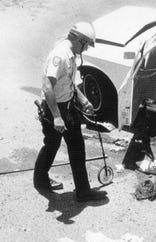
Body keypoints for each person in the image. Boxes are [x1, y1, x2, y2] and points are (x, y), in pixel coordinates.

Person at [33, 22, 108, 202]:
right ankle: (40, 180)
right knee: (51, 145)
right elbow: (47, 86)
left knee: (76, 147)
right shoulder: (60, 55)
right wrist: (57, 117)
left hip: (69, 107)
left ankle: (83, 191)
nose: (87, 49)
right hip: (55, 110)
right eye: (86, 44)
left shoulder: (71, 53)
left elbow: (68, 82)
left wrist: (83, 100)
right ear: (78, 40)